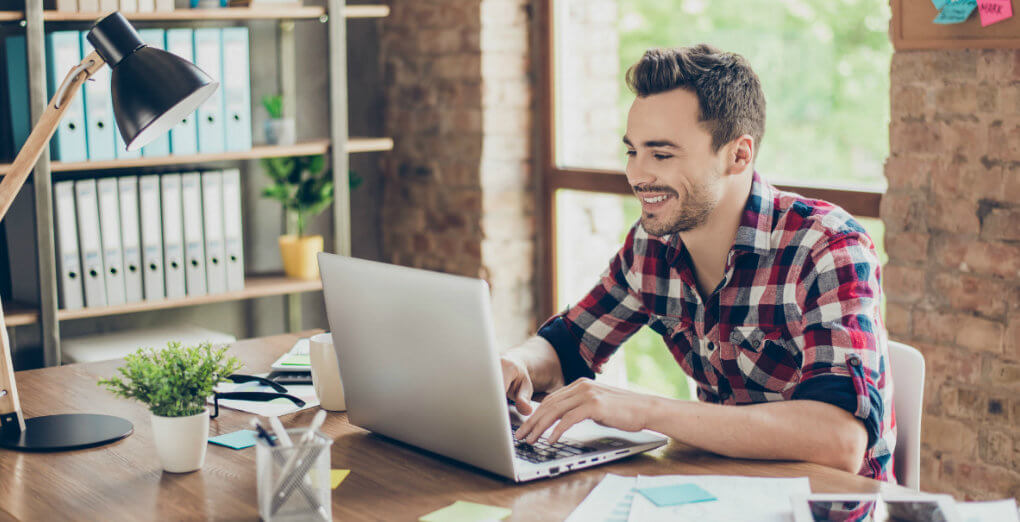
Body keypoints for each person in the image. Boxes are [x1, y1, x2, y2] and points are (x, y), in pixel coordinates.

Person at [503, 44, 895, 481]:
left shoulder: (826, 247)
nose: (636, 174)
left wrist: (644, 409)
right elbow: (569, 343)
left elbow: (840, 440)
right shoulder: (651, 246)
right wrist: (517, 363)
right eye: (632, 151)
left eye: (662, 154)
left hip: (826, 506)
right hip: (721, 492)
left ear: (738, 155)